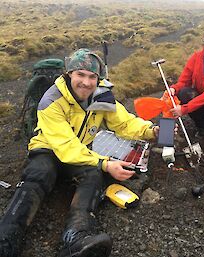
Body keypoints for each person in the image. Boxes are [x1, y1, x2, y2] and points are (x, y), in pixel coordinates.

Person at [0, 48, 159, 257]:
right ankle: (7, 238)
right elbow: (66, 147)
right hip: (48, 149)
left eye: (92, 76)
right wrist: (105, 163)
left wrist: (150, 131)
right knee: (39, 174)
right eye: (80, 75)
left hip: (80, 151)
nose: (86, 82)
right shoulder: (51, 101)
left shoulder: (102, 96)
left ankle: (75, 238)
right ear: (68, 74)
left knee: (93, 176)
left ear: (98, 78)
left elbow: (124, 122)